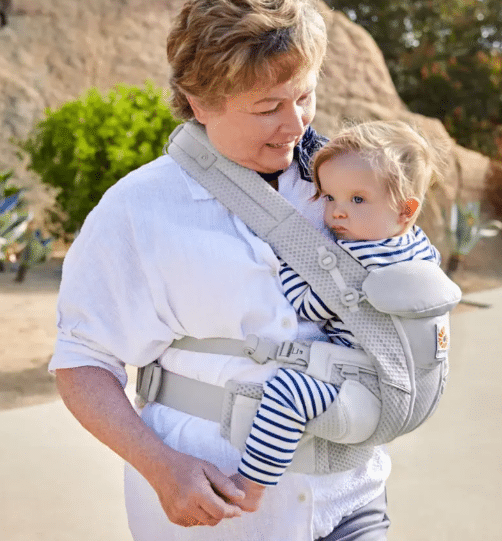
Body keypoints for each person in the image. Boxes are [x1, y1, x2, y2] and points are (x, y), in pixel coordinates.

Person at [50, 1, 394, 539]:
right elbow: (82, 361)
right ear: (200, 103)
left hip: (349, 499)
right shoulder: (138, 208)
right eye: (267, 108)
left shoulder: (347, 183)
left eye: (305, 96)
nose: (296, 124)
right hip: (220, 520)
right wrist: (161, 467)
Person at [229, 120, 442, 510]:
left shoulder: (361, 258)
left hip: (365, 392)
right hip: (401, 391)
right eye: (329, 197)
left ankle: (252, 483)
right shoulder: (417, 246)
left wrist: (283, 261)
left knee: (287, 392)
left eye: (357, 200)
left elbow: (308, 305)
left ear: (405, 210)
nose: (337, 213)